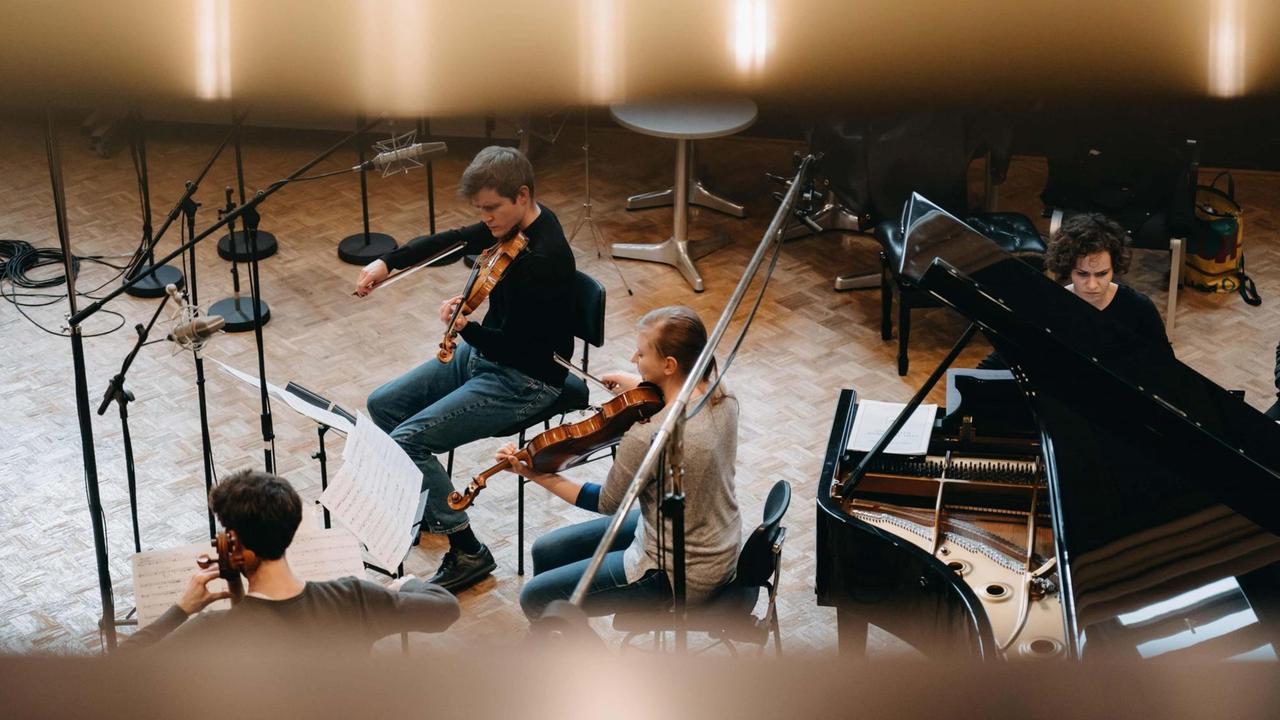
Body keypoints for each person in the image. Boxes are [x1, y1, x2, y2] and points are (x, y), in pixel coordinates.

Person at [355, 146, 576, 592]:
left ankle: (468, 549)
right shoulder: (511, 227)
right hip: (485, 357)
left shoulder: (546, 257)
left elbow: (523, 347)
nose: (486, 219)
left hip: (525, 379)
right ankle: (435, 508)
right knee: (384, 405)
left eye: (492, 209)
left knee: (408, 440)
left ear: (522, 195)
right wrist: (387, 262)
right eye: (481, 210)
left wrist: (467, 328)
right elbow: (453, 239)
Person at [495, 306, 741, 620]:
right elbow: (678, 398)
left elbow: (606, 501)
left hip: (677, 571)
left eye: (641, 355)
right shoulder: (722, 393)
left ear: (669, 364)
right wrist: (638, 383)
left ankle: (564, 643)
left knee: (535, 597)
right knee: (547, 550)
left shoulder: (650, 435)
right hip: (715, 541)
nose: (632, 360)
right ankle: (561, 628)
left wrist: (533, 472)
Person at [122, 470, 459, 654]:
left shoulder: (210, 633)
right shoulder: (354, 599)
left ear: (234, 543)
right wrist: (403, 584)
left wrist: (180, 610)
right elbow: (446, 609)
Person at [979, 212, 1171, 370]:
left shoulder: (1139, 308)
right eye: (1082, 274)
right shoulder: (1049, 305)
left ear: (1115, 267)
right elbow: (1008, 354)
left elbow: (1165, 367)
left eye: (1102, 274)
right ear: (1069, 269)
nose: (1092, 285)